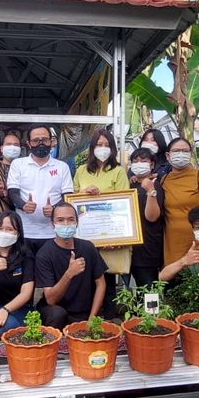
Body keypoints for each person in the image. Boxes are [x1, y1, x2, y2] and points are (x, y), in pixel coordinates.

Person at [72, 129, 129, 319]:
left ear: (112, 149)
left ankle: (109, 320)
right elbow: (71, 201)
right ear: (92, 148)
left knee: (107, 279)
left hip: (110, 235)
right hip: (86, 235)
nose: (103, 149)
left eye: (107, 145)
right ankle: (85, 319)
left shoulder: (118, 171)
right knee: (84, 278)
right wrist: (84, 193)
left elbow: (124, 204)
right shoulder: (81, 171)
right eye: (99, 145)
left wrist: (119, 236)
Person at [35, 202, 107, 329]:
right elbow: (51, 299)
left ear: (77, 222)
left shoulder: (88, 247)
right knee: (56, 313)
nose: (66, 224)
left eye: (70, 219)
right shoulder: (44, 254)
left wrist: (92, 319)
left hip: (84, 313)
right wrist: (69, 274)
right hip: (58, 312)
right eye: (60, 220)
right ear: (52, 223)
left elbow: (100, 284)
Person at [7, 124, 74, 254]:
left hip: (53, 232)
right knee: (28, 272)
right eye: (36, 140)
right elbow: (12, 193)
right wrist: (23, 205)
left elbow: (67, 196)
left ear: (52, 141)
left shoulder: (62, 167)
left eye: (45, 140)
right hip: (25, 231)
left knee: (51, 272)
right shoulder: (18, 164)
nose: (41, 144)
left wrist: (55, 209)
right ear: (28, 143)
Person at [161, 137, 199, 266]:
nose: (180, 154)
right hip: (172, 244)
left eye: (184, 151)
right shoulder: (163, 180)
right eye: (176, 151)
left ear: (190, 154)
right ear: (167, 155)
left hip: (197, 242)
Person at [128, 147, 164, 287]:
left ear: (152, 165)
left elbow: (152, 217)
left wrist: (150, 190)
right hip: (131, 250)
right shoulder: (130, 184)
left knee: (149, 292)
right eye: (135, 160)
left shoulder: (155, 185)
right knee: (136, 291)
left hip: (148, 249)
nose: (139, 163)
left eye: (144, 160)